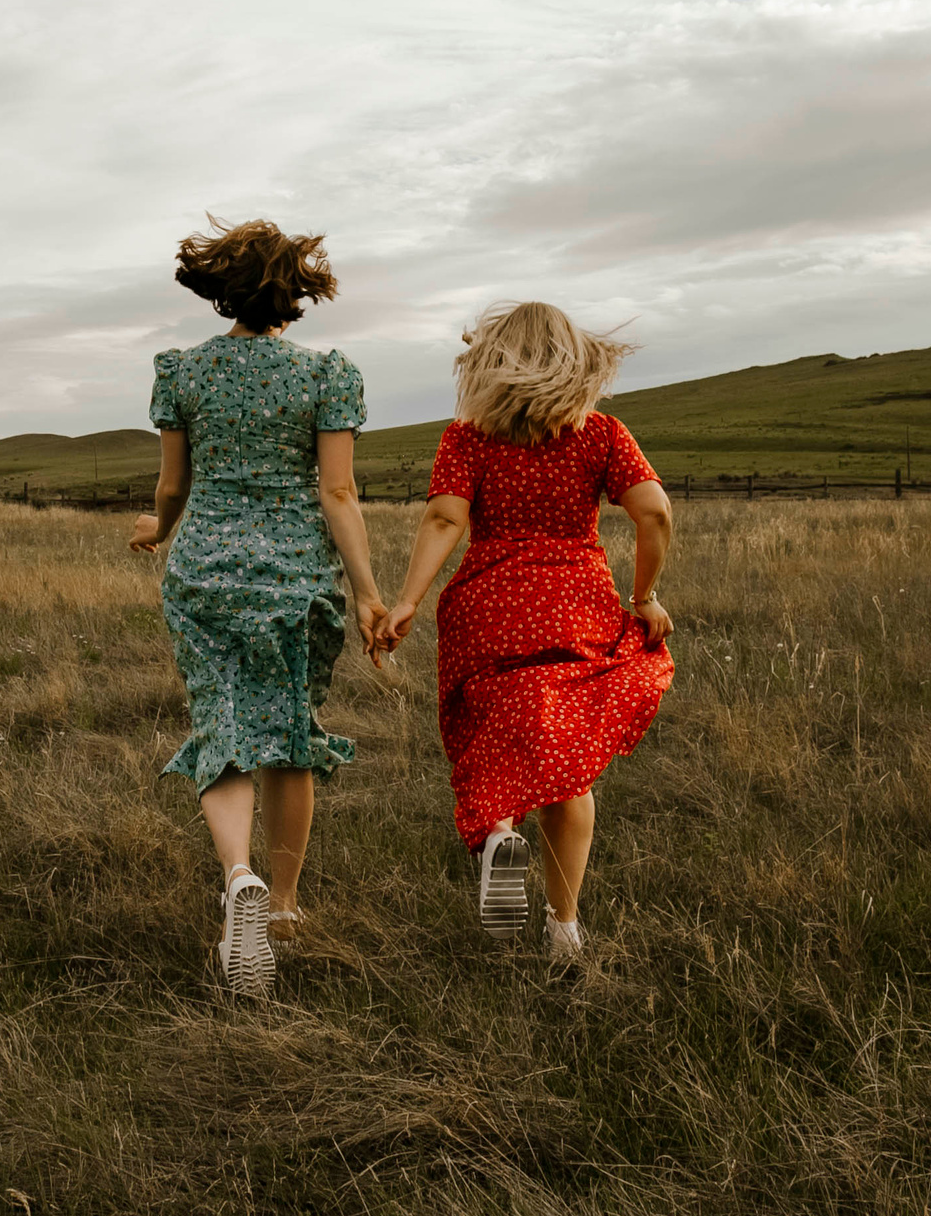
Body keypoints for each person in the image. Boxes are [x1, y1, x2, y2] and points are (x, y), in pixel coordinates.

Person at [128, 218, 387, 998]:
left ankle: (236, 875)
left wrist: (158, 526)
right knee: (288, 731)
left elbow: (174, 485)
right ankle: (281, 905)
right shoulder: (326, 375)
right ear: (296, 288)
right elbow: (337, 491)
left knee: (223, 722)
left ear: (221, 289)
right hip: (296, 574)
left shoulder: (184, 372)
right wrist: (370, 591)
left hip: (205, 568)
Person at [374, 301, 673, 966]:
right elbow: (653, 511)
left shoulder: (468, 438)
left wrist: (406, 601)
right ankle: (565, 928)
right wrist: (645, 595)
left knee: (495, 736)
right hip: (577, 609)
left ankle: (500, 833)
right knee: (566, 769)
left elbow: (445, 521)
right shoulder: (601, 434)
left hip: (490, 610)